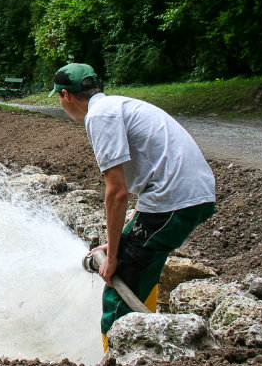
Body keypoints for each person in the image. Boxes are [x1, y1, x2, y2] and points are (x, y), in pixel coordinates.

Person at [49, 63, 216, 349]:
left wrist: (113, 256)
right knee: (142, 265)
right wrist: (123, 238)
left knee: (120, 285)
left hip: (173, 201)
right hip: (193, 195)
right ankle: (150, 338)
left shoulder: (99, 117)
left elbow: (116, 193)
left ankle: (117, 355)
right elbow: (147, 184)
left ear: (65, 95)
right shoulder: (118, 105)